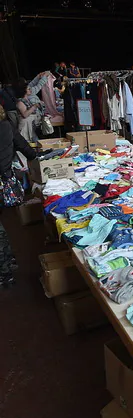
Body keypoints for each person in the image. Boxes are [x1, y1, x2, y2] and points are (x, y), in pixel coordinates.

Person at [0, 105, 37, 286]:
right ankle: (8, 261)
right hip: (4, 184)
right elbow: (25, 148)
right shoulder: (6, 126)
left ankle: (5, 271)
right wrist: (37, 156)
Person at [16, 72, 50, 143]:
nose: (30, 90)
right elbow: (25, 114)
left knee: (35, 142)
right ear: (24, 90)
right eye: (28, 89)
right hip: (25, 128)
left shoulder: (26, 98)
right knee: (30, 143)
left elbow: (32, 84)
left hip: (30, 127)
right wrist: (35, 106)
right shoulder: (20, 102)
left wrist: (38, 76)